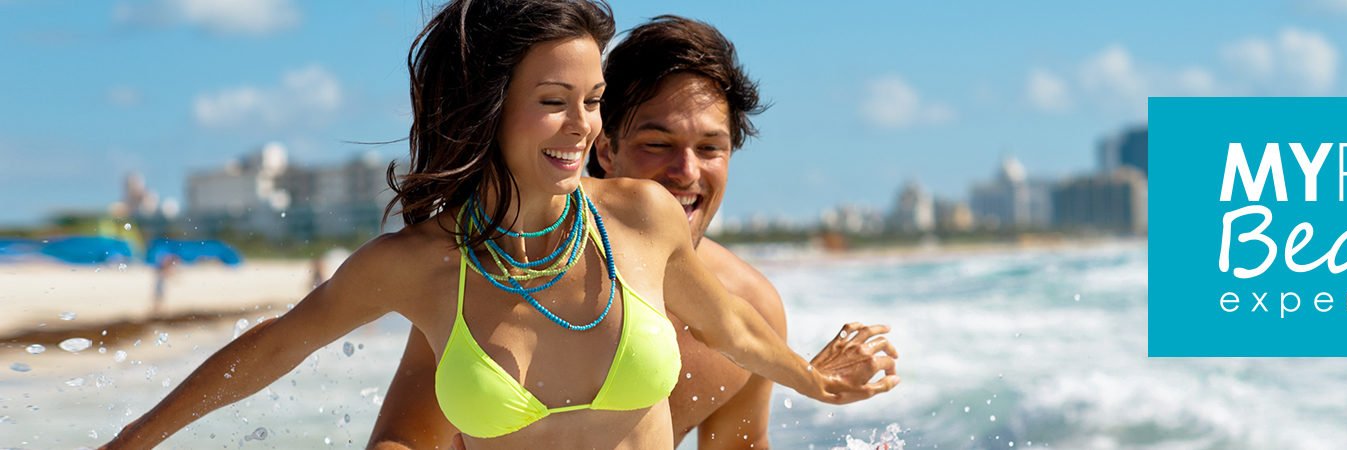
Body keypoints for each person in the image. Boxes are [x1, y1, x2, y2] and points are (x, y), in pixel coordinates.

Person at [104, 1, 898, 449]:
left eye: (591, 102)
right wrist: (131, 441)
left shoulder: (639, 219)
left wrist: (817, 381)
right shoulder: (422, 264)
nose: (582, 129)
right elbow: (277, 344)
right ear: (488, 106)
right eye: (556, 101)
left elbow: (733, 328)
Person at [369, 15, 814, 449]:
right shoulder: (497, 276)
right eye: (657, 145)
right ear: (603, 149)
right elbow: (404, 437)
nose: (686, 171)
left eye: (710, 148)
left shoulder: (753, 307)